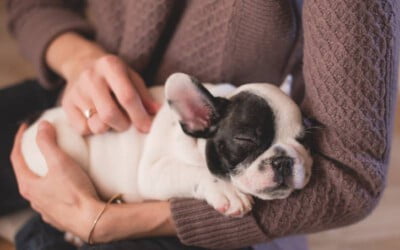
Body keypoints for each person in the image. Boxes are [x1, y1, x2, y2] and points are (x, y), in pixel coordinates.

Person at [2, 0, 398, 249]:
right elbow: (32, 7)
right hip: (88, 100)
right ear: (196, 119)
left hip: (177, 196)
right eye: (250, 143)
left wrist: (101, 221)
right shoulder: (204, 115)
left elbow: (352, 176)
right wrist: (78, 60)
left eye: (299, 142)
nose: (281, 159)